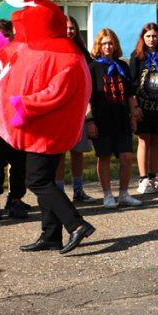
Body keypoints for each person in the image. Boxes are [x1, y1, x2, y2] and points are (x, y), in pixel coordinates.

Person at [0, 0, 95, 254]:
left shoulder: (65, 55)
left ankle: (76, 223)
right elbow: (38, 4)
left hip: (47, 128)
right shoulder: (48, 48)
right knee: (43, 179)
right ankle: (50, 234)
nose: (20, 32)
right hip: (40, 127)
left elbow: (55, 93)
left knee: (38, 180)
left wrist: (22, 104)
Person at [87, 28, 142, 208]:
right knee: (104, 156)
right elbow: (87, 97)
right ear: (99, 46)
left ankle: (124, 193)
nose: (108, 46)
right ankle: (107, 194)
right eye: (104, 43)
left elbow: (130, 94)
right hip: (102, 118)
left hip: (121, 118)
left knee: (126, 156)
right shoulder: (93, 67)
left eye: (111, 43)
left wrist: (134, 114)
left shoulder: (122, 66)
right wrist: (90, 120)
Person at [0, 20, 28, 222]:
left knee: (19, 161)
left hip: (17, 119)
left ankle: (16, 198)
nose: (3, 40)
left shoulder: (20, 58)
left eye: (7, 35)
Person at [55, 15, 96, 203]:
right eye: (66, 27)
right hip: (60, 108)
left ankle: (78, 189)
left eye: (72, 28)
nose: (69, 31)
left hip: (79, 108)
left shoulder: (82, 53)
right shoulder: (54, 50)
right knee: (60, 152)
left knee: (77, 150)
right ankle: (59, 190)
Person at [131, 23, 158, 195]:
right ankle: (142, 178)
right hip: (142, 106)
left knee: (156, 141)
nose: (151, 39)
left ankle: (153, 177)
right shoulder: (137, 56)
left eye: (154, 36)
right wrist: (134, 107)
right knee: (143, 140)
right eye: (148, 36)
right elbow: (131, 83)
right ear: (143, 38)